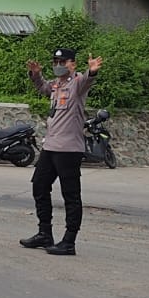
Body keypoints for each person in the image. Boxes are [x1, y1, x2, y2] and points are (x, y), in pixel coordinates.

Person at [20, 47, 103, 257]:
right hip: (50, 146)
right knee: (39, 185)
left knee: (71, 195)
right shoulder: (56, 85)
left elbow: (88, 79)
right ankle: (44, 233)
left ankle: (69, 241)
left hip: (69, 150)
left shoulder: (77, 84)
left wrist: (92, 70)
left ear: (73, 64)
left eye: (63, 62)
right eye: (55, 62)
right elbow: (42, 87)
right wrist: (36, 74)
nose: (58, 66)